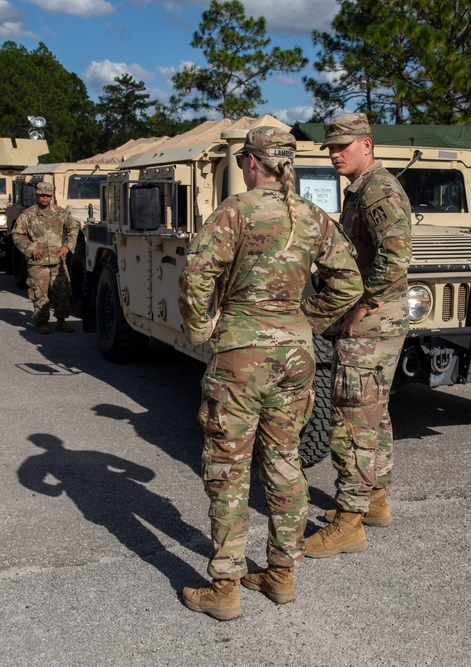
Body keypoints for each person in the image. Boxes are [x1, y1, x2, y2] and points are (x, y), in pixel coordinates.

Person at [177, 127, 363, 620]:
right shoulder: (311, 215)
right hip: (296, 356)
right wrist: (308, 322)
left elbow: (197, 273)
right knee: (284, 459)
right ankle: (281, 575)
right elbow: (350, 281)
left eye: (243, 161)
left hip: (242, 354)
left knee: (229, 467)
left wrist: (200, 331)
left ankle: (226, 587)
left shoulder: (236, 211)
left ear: (252, 163)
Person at [303, 112, 413, 559]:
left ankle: (349, 522)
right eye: (330, 147)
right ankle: (374, 500)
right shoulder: (360, 188)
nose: (333, 155)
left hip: (372, 321)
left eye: (341, 147)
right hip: (375, 319)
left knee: (351, 420)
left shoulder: (377, 189)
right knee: (372, 413)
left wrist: (362, 305)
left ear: (366, 144)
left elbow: (397, 255)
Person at [11, 181, 79, 334]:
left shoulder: (61, 213)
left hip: (58, 261)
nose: (44, 199)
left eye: (48, 196)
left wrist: (68, 245)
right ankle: (42, 322)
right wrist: (30, 248)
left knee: (62, 292)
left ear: (52, 196)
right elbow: (17, 235)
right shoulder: (28, 215)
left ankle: (61, 321)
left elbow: (73, 227)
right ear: (36, 195)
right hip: (38, 262)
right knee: (40, 294)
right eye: (42, 195)